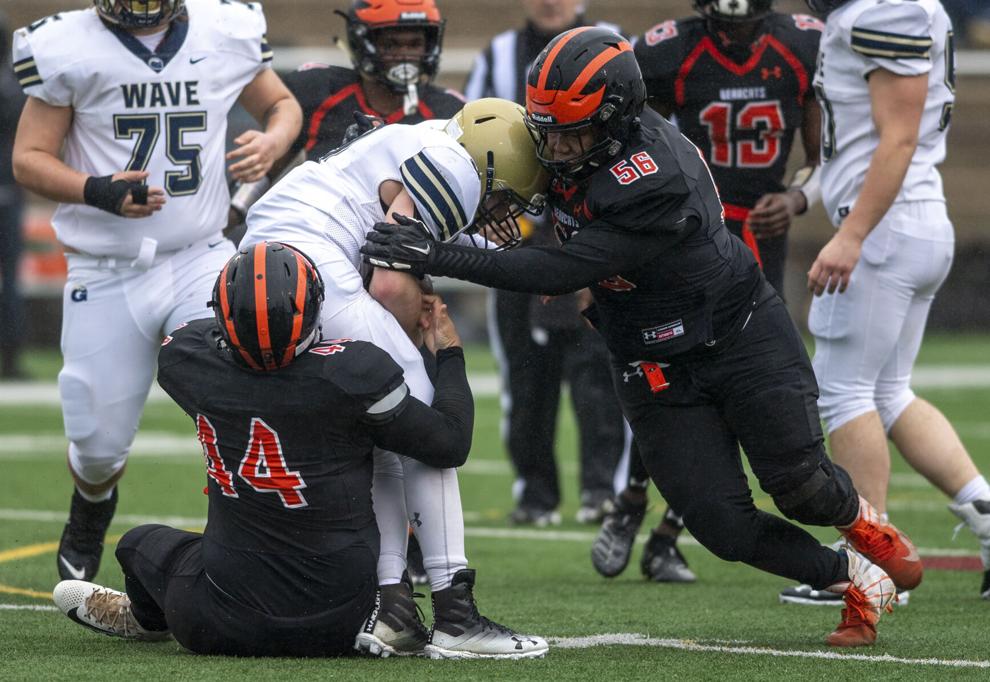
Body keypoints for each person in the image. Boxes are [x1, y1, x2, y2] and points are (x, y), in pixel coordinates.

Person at [362, 26, 926, 647]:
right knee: (723, 528)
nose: (550, 145)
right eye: (545, 126)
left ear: (615, 119)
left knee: (802, 487)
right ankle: (856, 577)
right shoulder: (568, 142)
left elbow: (563, 268)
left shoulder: (653, 177)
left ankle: (870, 531)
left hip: (737, 336)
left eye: (568, 131)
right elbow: (521, 193)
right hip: (649, 359)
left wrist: (442, 255)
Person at [50, 242, 477, 657]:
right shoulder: (353, 372)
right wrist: (450, 354)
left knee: (138, 545)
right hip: (351, 615)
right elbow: (449, 443)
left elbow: (203, 340)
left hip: (219, 621)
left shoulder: (187, 363)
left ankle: (146, 617)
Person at [239, 98, 550, 659]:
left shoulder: (432, 141)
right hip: (311, 260)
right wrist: (428, 325)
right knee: (422, 424)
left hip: (271, 259)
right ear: (488, 164)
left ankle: (394, 609)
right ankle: (455, 613)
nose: (505, 210)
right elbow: (388, 283)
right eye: (505, 195)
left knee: (382, 432)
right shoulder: (455, 169)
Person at [11, 0, 303, 583]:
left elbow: (282, 105)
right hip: (106, 267)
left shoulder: (224, 28)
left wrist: (273, 142)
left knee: (242, 393)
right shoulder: (69, 45)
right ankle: (92, 506)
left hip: (200, 255)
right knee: (96, 445)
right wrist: (96, 189)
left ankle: (255, 534)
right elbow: (28, 159)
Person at [227, 0, 467, 582]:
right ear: (361, 42)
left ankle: (388, 571)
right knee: (410, 418)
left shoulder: (449, 113)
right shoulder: (318, 91)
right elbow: (264, 161)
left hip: (385, 278)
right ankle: (434, 590)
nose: (405, 53)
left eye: (415, 40)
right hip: (321, 279)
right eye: (392, 40)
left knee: (390, 425)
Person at [593, 0, 824, 584]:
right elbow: (624, 123)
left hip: (752, 246)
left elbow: (834, 154)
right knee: (670, 379)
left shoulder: (804, 44)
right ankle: (633, 503)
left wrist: (798, 197)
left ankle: (665, 532)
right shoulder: (670, 47)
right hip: (685, 238)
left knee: (726, 387)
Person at [789, 0, 990, 604]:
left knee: (845, 391)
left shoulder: (885, 10)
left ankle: (869, 565)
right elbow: (859, 141)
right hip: (910, 222)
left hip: (884, 228)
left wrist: (851, 236)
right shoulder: (903, 9)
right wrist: (805, 201)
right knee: (887, 392)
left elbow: (898, 138)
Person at [463, 0, 627, 527]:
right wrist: (484, 210)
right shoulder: (500, 55)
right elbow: (470, 142)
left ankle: (604, 491)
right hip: (522, 239)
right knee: (527, 378)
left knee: (601, 372)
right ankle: (535, 493)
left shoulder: (615, 45)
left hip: (595, 235)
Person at [0, 11, 27, 380]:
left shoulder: (12, 84)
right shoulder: (14, 83)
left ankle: (11, 354)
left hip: (7, 187)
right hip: (8, 188)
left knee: (11, 280)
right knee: (11, 280)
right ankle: (11, 356)